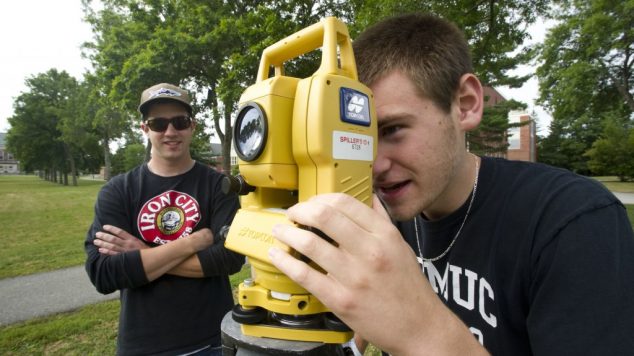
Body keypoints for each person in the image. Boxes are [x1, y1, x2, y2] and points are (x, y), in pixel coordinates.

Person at [266, 14, 634, 355]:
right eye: (360, 138)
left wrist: (422, 329)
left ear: (466, 104)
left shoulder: (574, 223)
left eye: (392, 130)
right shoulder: (386, 212)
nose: (374, 165)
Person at [84, 83, 244, 356]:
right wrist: (195, 242)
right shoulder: (118, 190)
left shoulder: (220, 186)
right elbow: (104, 273)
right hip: (143, 344)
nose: (170, 132)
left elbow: (230, 259)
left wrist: (143, 254)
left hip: (212, 340)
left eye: (179, 122)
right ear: (145, 129)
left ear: (192, 126)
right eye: (158, 124)